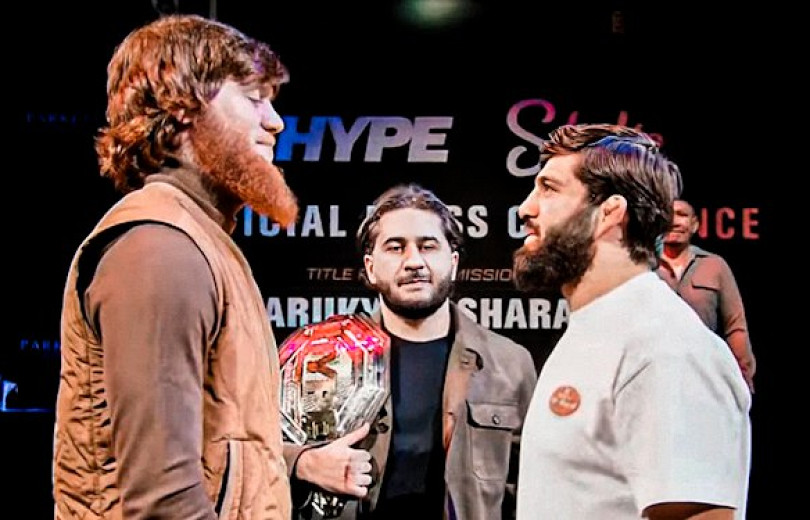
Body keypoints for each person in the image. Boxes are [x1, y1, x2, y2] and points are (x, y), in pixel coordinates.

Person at [52, 14, 297, 519]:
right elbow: (164, 504)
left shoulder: (199, 238)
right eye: (254, 98)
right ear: (181, 105)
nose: (274, 121)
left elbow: (227, 447)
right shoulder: (160, 247)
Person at [512, 124, 751, 519]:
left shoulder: (666, 347)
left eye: (549, 189)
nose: (526, 209)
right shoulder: (600, 330)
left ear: (610, 213)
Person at [283, 184, 538, 519]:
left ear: (453, 262)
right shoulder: (319, 357)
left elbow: (534, 486)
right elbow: (253, 450)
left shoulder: (510, 363)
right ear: (371, 267)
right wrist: (303, 463)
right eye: (396, 247)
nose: (414, 262)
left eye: (428, 246)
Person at [656, 198, 756, 392]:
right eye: (668, 215)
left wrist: (742, 373)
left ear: (695, 225)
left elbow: (735, 326)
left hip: (704, 372)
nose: (674, 221)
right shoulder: (643, 266)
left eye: (682, 215)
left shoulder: (714, 265)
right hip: (655, 370)